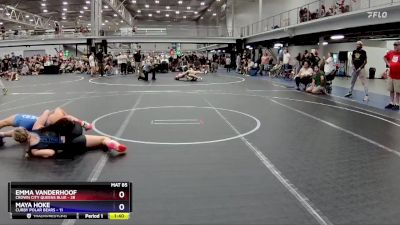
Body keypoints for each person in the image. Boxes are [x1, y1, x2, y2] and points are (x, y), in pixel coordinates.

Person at [1, 119, 126, 159]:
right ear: (26, 131)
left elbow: (51, 153)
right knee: (104, 138)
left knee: (100, 140)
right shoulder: (36, 127)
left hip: (72, 144)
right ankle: (113, 144)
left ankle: (110, 145)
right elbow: (46, 111)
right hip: (71, 133)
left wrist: (33, 154)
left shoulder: (34, 150)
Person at [383, 41, 400, 110]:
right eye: (394, 45)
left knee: (398, 91)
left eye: (396, 45)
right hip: (391, 75)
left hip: (398, 76)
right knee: (391, 90)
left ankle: (397, 104)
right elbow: (384, 58)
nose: (395, 46)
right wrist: (388, 63)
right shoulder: (391, 53)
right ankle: (391, 103)